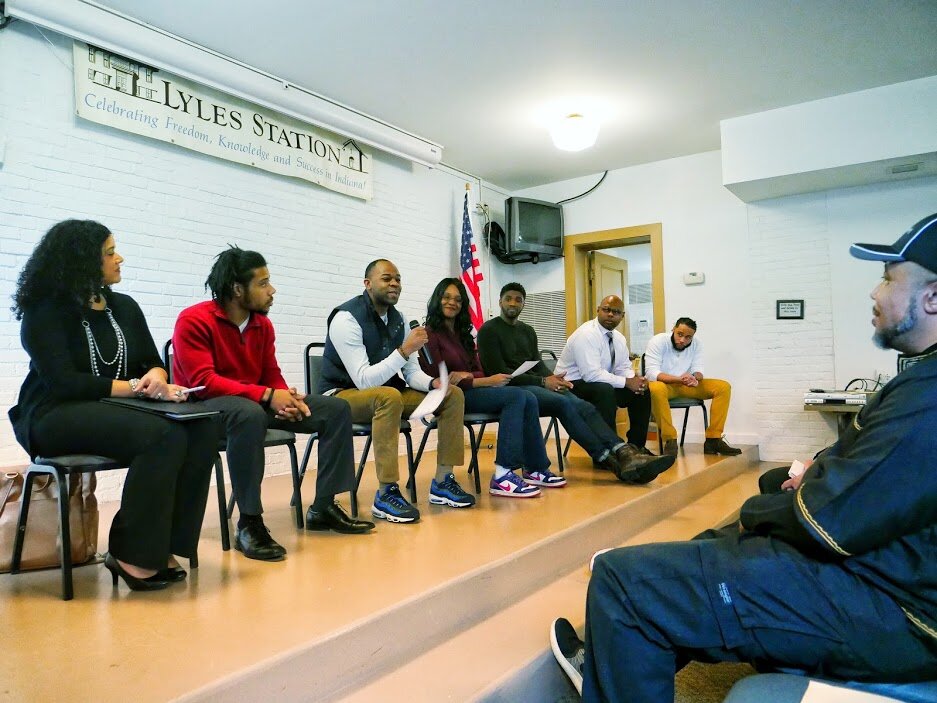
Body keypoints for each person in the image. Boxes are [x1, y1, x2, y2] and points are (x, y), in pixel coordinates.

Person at [550, 212, 937, 701]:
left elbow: (827, 521)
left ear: (932, 298)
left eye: (887, 279)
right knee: (732, 524)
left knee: (621, 579)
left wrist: (758, 513)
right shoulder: (922, 382)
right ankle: (624, 652)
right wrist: (806, 480)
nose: (874, 293)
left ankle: (613, 652)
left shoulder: (928, 397)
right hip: (894, 574)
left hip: (898, 609)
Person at [8, 220, 219, 591]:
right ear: (81, 261)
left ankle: (163, 546)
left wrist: (156, 376)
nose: (119, 259)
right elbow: (65, 382)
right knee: (161, 435)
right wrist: (138, 388)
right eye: (109, 253)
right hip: (52, 414)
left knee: (202, 428)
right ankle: (132, 553)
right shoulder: (45, 311)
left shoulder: (124, 306)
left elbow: (152, 360)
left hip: (115, 409)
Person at [172, 246, 371, 563]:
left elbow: (270, 374)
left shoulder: (261, 325)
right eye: (263, 283)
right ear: (238, 289)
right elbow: (204, 381)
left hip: (250, 403)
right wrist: (267, 396)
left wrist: (284, 397)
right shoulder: (193, 321)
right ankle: (249, 523)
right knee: (249, 415)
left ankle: (324, 506)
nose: (272, 289)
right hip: (204, 409)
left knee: (335, 409)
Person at [477, 283, 674, 484]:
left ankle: (624, 453)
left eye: (518, 300)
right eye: (508, 298)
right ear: (500, 301)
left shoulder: (527, 330)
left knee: (583, 406)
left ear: (523, 304)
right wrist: (544, 381)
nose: (513, 303)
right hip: (514, 389)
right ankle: (613, 459)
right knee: (568, 404)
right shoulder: (488, 330)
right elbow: (498, 373)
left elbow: (537, 363)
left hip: (537, 384)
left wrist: (554, 379)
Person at [319, 259, 467, 523]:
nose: (395, 284)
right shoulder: (346, 318)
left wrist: (432, 384)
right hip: (342, 396)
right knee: (387, 397)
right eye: (387, 278)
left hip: (386, 394)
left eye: (398, 279)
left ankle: (443, 481)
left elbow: (411, 373)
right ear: (367, 284)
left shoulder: (398, 319)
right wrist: (404, 350)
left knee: (451, 395)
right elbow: (364, 380)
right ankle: (386, 492)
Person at [422, 277, 563, 498]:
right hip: (451, 399)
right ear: (437, 300)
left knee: (528, 396)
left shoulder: (463, 334)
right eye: (446, 297)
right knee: (516, 397)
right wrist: (479, 381)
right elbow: (437, 377)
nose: (452, 302)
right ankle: (503, 475)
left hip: (472, 391)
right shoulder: (428, 334)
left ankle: (535, 467)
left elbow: (478, 369)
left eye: (458, 299)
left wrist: (470, 377)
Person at [555, 295, 654, 449]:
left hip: (598, 384)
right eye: (606, 310)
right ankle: (610, 451)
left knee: (641, 392)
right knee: (604, 390)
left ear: (622, 316)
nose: (610, 314)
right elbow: (591, 375)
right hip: (570, 385)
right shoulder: (586, 334)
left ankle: (636, 448)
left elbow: (622, 368)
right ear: (598, 310)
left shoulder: (619, 339)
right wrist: (627, 382)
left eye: (615, 312)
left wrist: (635, 380)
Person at [644, 317, 741, 456]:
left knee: (723, 387)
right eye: (680, 334)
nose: (683, 340)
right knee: (654, 388)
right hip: (665, 386)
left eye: (688, 337)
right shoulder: (658, 341)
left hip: (686, 385)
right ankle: (670, 440)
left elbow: (698, 369)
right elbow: (652, 373)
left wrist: (695, 378)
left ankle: (713, 439)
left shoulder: (697, 344)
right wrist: (679, 379)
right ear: (673, 329)